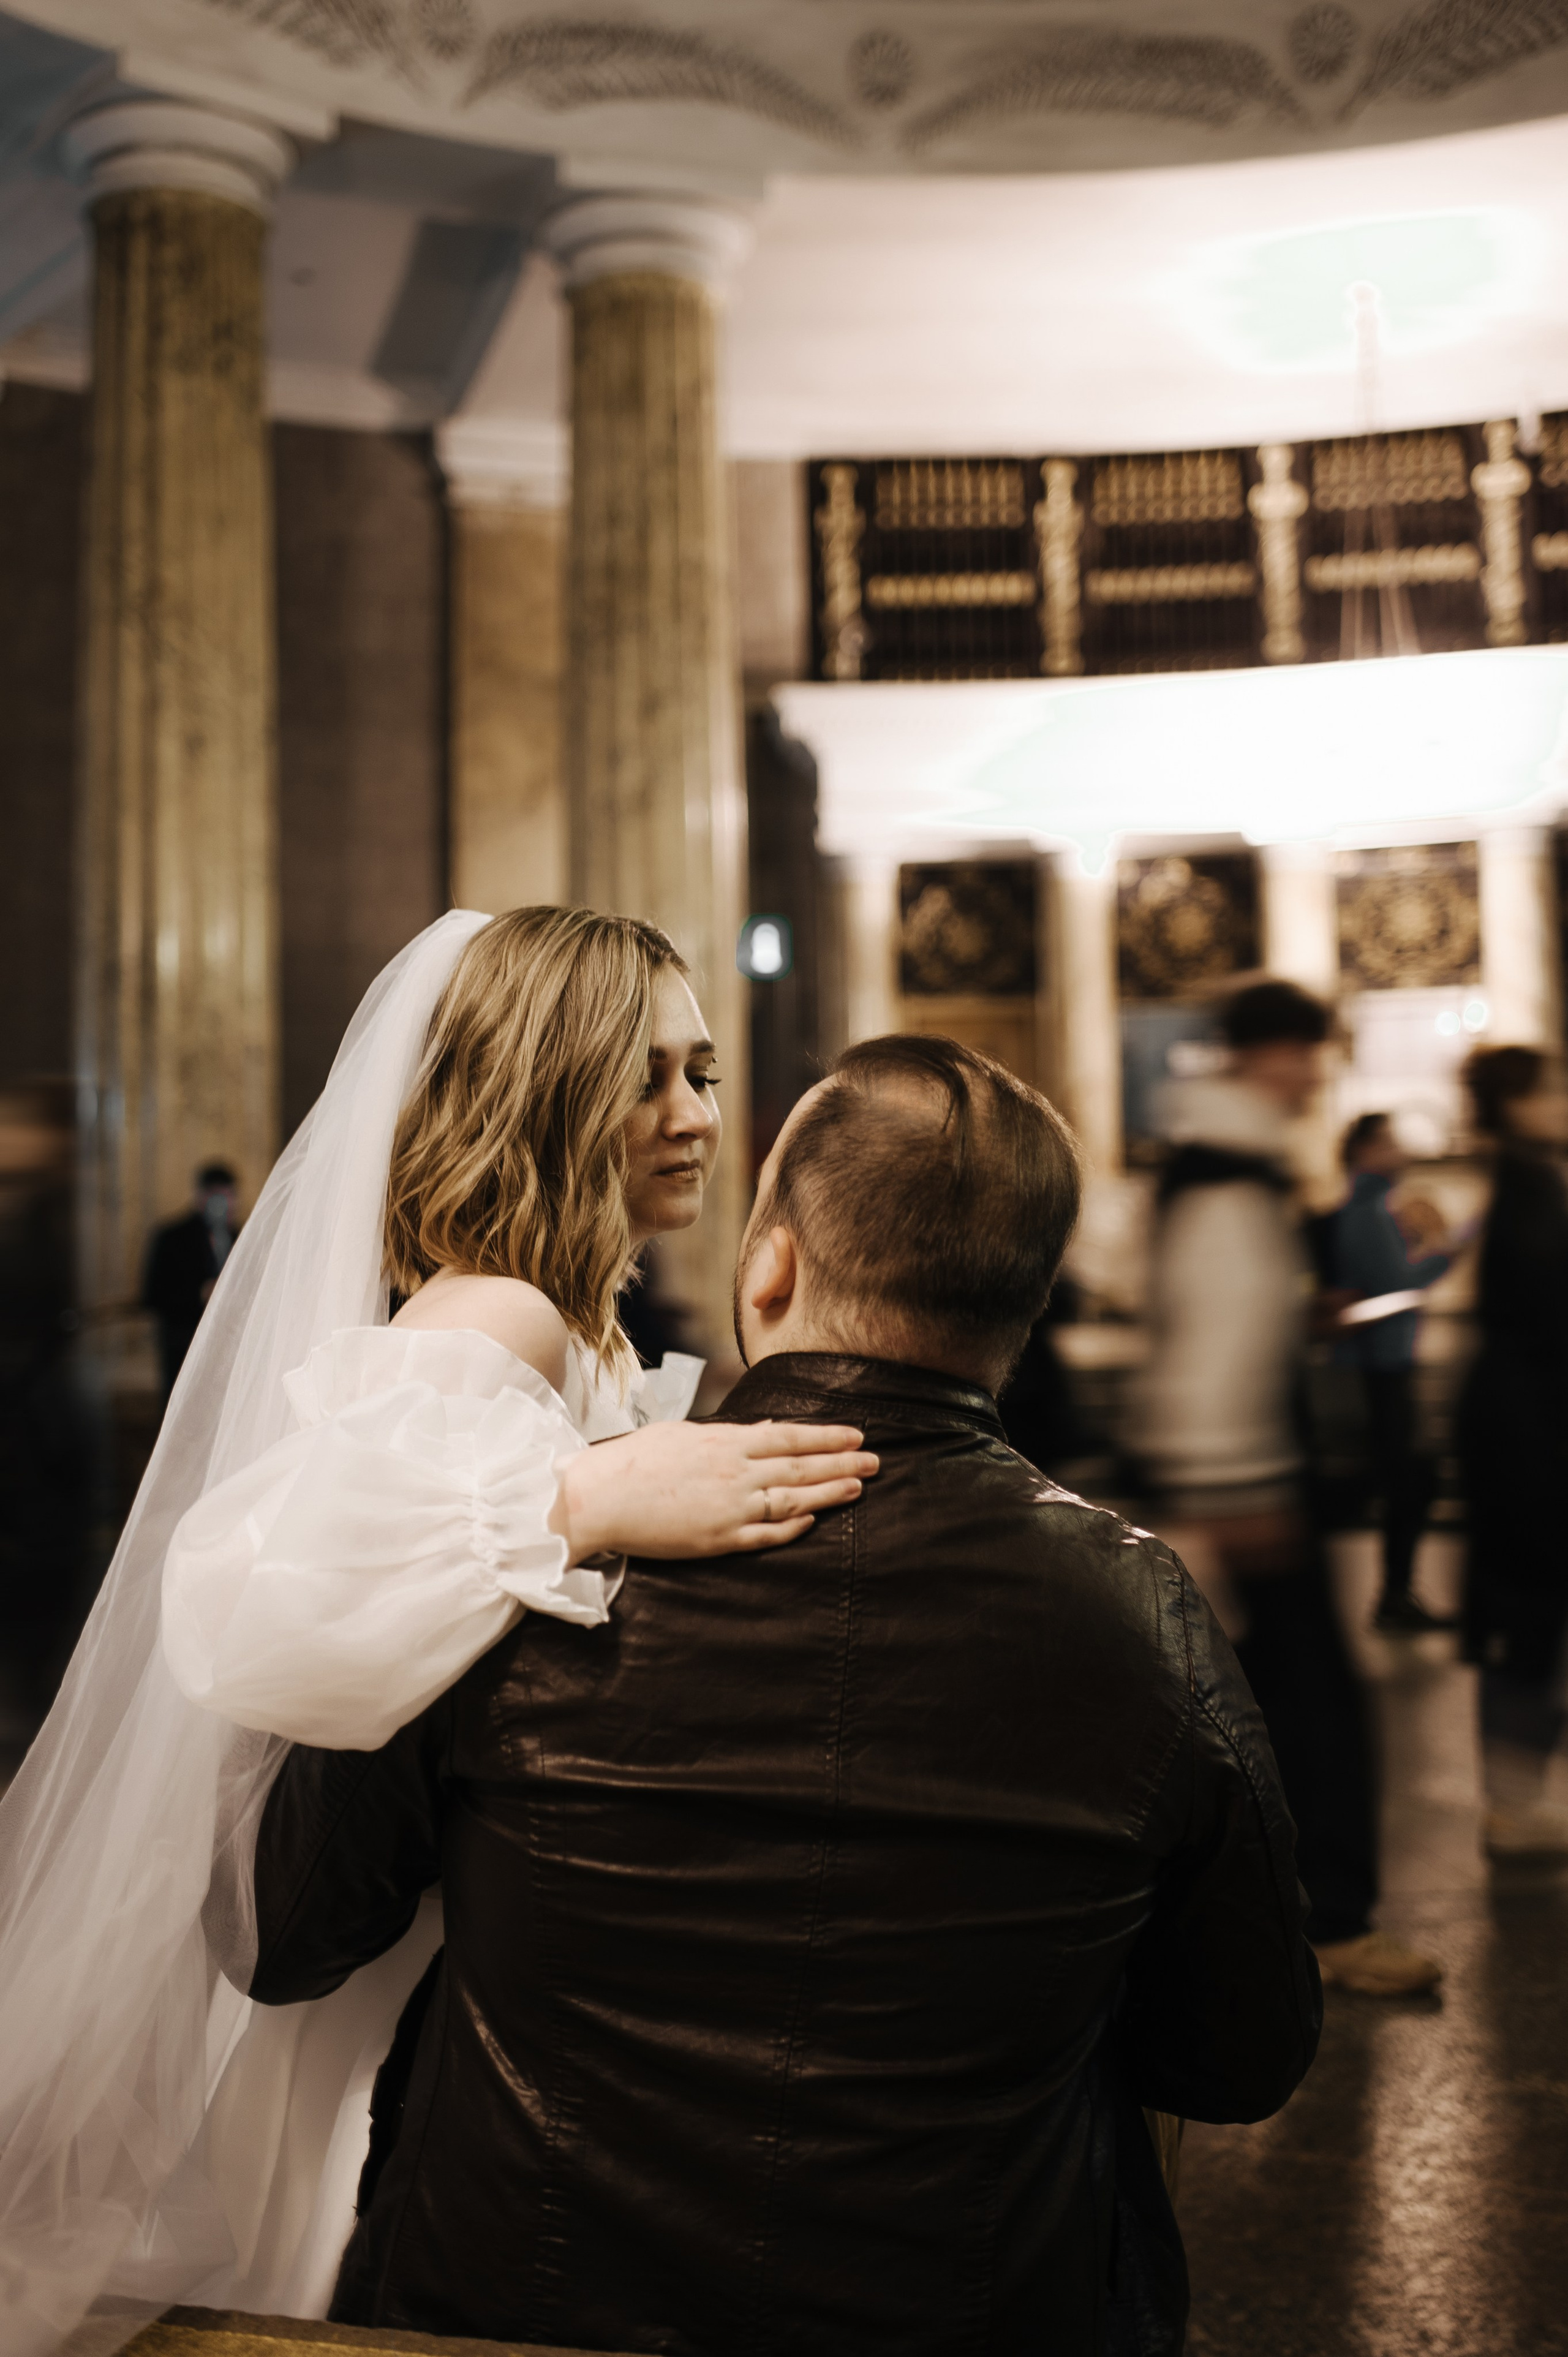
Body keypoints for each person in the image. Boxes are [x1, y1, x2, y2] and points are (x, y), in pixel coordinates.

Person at [243, 1035, 1321, 2357]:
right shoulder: (1145, 1617)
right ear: (1023, 1308)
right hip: (979, 2309)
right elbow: (1240, 2056)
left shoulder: (543, 1552)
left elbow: (289, 1928)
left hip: (509, 2302)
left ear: (771, 1265)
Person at [0, 907, 873, 2353]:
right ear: (540, 1094)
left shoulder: (568, 1322)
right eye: (643, 1076)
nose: (693, 1115)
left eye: (703, 1072)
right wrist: (580, 1498)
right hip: (379, 1966)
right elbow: (258, 1609)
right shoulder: (491, 1318)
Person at [1130, 978, 1439, 1999]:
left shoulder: (1225, 1163)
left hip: (1236, 1477)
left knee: (1257, 1714)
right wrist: (1236, 1487)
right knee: (1313, 1713)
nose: (1313, 1076)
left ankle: (1265, 1919)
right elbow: (1210, 1343)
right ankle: (1333, 1920)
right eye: (1302, 1053)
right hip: (1245, 1485)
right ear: (1262, 1056)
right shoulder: (1229, 1176)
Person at [1458, 1046, 1568, 1860]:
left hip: (1522, 1426)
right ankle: (1513, 1804)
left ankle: (1516, 1797)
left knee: (1528, 1607)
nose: (1564, 1098)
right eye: (1551, 1087)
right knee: (1527, 1606)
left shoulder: (1528, 1182)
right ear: (1514, 1103)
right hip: (1530, 1434)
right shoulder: (1530, 1191)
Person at [1327, 1111, 1457, 1632]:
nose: (1400, 1152)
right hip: (1378, 1366)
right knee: (1406, 1480)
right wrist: (1450, 1251)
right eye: (1389, 1143)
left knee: (1404, 1479)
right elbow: (1399, 1283)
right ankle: (1393, 1595)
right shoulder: (1369, 1210)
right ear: (1363, 1150)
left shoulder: (1373, 1208)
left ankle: (1395, 1593)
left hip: (1381, 1362)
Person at [143, 1161, 241, 1402]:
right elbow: (153, 1295)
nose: (222, 1205)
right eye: (216, 1197)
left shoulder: (241, 1236)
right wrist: (200, 1293)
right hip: (184, 1346)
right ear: (200, 1196)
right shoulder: (172, 1238)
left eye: (228, 1197)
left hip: (229, 1349)